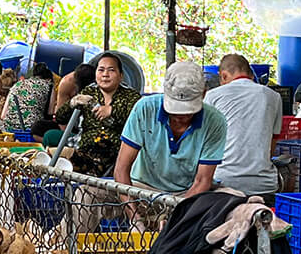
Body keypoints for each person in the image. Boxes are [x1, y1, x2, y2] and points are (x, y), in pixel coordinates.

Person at [113, 60, 228, 197]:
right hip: (141, 188)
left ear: (203, 94)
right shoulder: (145, 108)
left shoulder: (215, 121)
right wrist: (131, 209)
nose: (180, 117)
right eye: (175, 111)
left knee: (234, 197)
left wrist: (179, 209)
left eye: (187, 112)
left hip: (188, 192)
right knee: (92, 191)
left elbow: (202, 181)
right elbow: (121, 169)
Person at [204, 53, 283, 200]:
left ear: (223, 76)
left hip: (224, 183)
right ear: (251, 75)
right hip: (264, 185)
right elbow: (272, 143)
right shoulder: (274, 96)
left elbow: (204, 144)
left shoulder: (212, 96)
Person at [54, 52, 139, 177]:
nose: (105, 74)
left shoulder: (131, 97)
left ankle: (72, 160)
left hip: (114, 151)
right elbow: (60, 118)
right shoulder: (89, 92)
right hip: (85, 147)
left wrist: (112, 110)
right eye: (101, 70)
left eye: (111, 70)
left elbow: (140, 118)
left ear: (121, 75)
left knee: (102, 145)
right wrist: (72, 102)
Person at [0, 62, 55, 135]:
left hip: (9, 129)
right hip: (32, 130)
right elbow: (50, 113)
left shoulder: (17, 84)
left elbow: (3, 115)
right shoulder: (49, 86)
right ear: (48, 78)